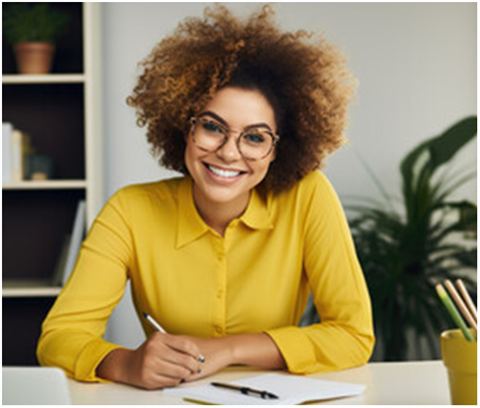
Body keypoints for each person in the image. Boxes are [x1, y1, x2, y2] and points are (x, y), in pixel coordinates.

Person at [37, 5, 375, 390]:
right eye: (213, 127)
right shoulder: (130, 211)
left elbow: (353, 335)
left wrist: (228, 350)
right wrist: (126, 364)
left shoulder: (307, 197)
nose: (230, 153)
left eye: (255, 137)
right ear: (184, 127)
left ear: (278, 150)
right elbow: (59, 337)